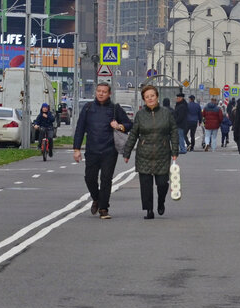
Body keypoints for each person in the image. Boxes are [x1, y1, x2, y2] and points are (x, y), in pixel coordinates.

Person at [73, 82, 133, 220]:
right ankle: (96, 198)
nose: (101, 93)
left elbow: (130, 124)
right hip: (92, 150)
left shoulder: (115, 109)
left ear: (109, 94)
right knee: (89, 178)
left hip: (109, 151)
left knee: (106, 179)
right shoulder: (88, 108)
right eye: (99, 91)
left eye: (104, 91)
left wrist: (119, 126)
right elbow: (80, 129)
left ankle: (104, 208)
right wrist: (76, 149)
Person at [123, 83, 178, 219]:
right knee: (146, 186)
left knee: (162, 183)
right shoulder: (140, 115)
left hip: (162, 153)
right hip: (144, 154)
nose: (150, 98)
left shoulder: (166, 113)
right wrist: (127, 152)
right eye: (147, 97)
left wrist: (175, 151)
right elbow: (134, 134)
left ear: (157, 97)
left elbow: (174, 132)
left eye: (152, 96)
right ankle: (149, 210)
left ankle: (161, 201)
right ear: (144, 99)